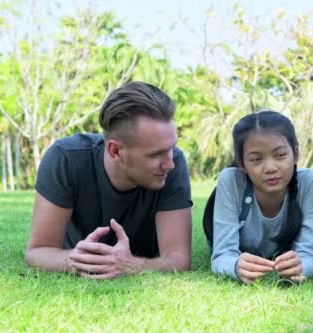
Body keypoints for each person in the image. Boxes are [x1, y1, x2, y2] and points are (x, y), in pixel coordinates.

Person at [25, 81, 192, 279]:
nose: (169, 164)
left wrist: (130, 265)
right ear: (115, 150)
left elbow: (178, 258)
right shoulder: (65, 159)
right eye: (156, 155)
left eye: (171, 148)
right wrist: (76, 260)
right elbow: (38, 251)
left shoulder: (174, 163)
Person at [204, 111, 313, 284]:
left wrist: (301, 266)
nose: (270, 168)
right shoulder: (231, 180)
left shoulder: (307, 181)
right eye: (256, 159)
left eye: (280, 155)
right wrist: (236, 266)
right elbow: (222, 255)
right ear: (242, 163)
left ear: (296, 154)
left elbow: (311, 254)